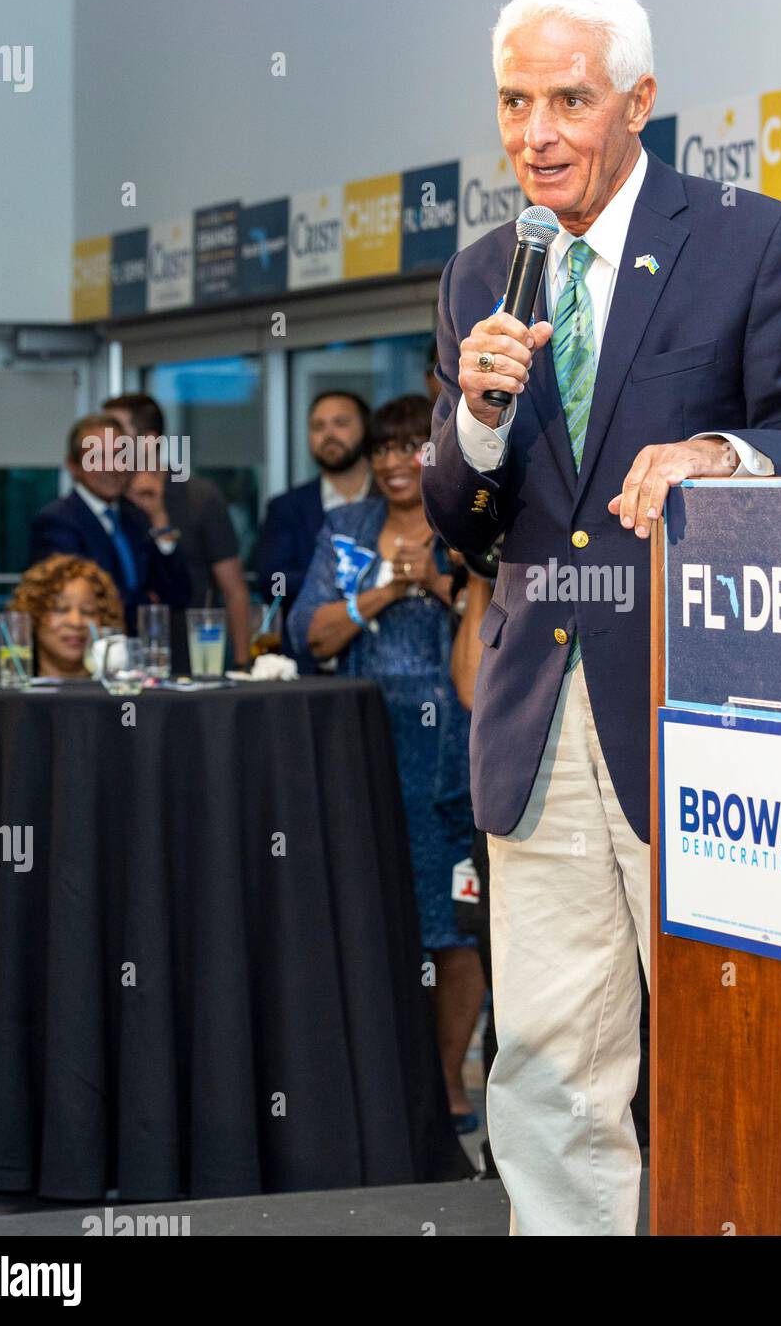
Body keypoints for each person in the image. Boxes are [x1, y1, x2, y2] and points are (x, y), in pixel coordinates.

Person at [421, 0, 781, 1235]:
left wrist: (721, 455)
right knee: (552, 1061)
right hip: (533, 723)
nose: (537, 133)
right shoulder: (478, 276)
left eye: (568, 99)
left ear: (640, 101)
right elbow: (463, 525)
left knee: (734, 1047)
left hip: (704, 717)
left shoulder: (750, 239)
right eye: (514, 102)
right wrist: (477, 417)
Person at [288, 394, 483, 1130]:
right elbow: (310, 632)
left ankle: (446, 1082)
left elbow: (500, 623)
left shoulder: (465, 524)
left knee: (456, 924)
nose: (396, 462)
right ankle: (377, 1079)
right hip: (361, 754)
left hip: (453, 756)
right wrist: (388, 588)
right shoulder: (346, 529)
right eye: (384, 450)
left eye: (413, 447)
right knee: (372, 917)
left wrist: (438, 581)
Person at [104, 393, 251, 672]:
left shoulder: (199, 496)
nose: (105, 441)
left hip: (194, 658)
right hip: (121, 659)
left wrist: (243, 664)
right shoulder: (109, 502)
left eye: (116, 433)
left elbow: (234, 589)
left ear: (148, 441)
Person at [30, 412, 190, 633]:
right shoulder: (57, 521)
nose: (112, 467)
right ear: (74, 466)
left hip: (143, 656)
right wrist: (146, 601)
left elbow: (178, 595)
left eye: (119, 455)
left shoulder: (136, 518)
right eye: (97, 457)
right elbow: (83, 600)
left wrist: (159, 517)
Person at [257, 390, 372, 670]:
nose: (329, 434)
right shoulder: (286, 507)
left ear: (366, 429)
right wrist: (348, 579)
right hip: (307, 667)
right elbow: (272, 582)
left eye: (340, 423)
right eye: (318, 426)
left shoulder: (393, 500)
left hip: (378, 663)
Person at [9, 553, 124, 678]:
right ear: (34, 615)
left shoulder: (122, 690)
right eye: (61, 609)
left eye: (88, 611)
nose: (76, 622)